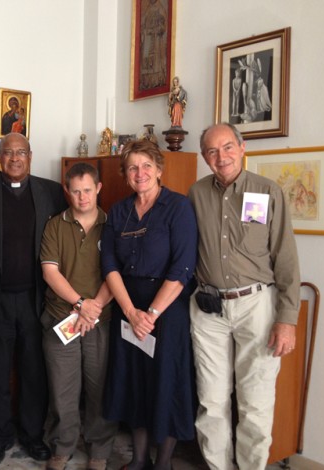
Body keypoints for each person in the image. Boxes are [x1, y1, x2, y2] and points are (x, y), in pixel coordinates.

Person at [188, 123, 300, 470]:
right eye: (211, 151)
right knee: (211, 401)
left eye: (227, 148)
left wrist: (287, 319)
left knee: (255, 403)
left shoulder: (267, 192)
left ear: (242, 147)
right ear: (205, 157)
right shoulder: (195, 194)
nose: (220, 157)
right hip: (208, 310)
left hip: (257, 307)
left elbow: (286, 258)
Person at [0, 132, 67, 464]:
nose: (15, 158)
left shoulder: (50, 191)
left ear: (31, 156)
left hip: (37, 297)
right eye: (8, 153)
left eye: (21, 152)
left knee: (34, 372)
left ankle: (32, 435)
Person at [101, 139, 197, 470]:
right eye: (132, 167)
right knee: (134, 383)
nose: (139, 173)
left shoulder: (179, 207)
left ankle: (164, 463)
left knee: (166, 383)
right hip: (128, 306)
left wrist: (151, 314)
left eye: (146, 166)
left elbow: (183, 267)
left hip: (167, 310)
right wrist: (130, 313)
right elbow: (109, 266)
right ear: (125, 174)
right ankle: (139, 459)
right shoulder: (118, 211)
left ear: (158, 169)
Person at [40, 163, 117, 470]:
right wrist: (80, 303)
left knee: (99, 388)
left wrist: (93, 307)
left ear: (99, 188)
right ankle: (62, 446)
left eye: (87, 190)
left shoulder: (114, 224)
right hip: (62, 318)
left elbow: (116, 272)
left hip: (101, 319)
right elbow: (50, 272)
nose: (82, 197)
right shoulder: (55, 225)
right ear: (66, 191)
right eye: (75, 191)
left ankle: (99, 449)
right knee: (62, 390)